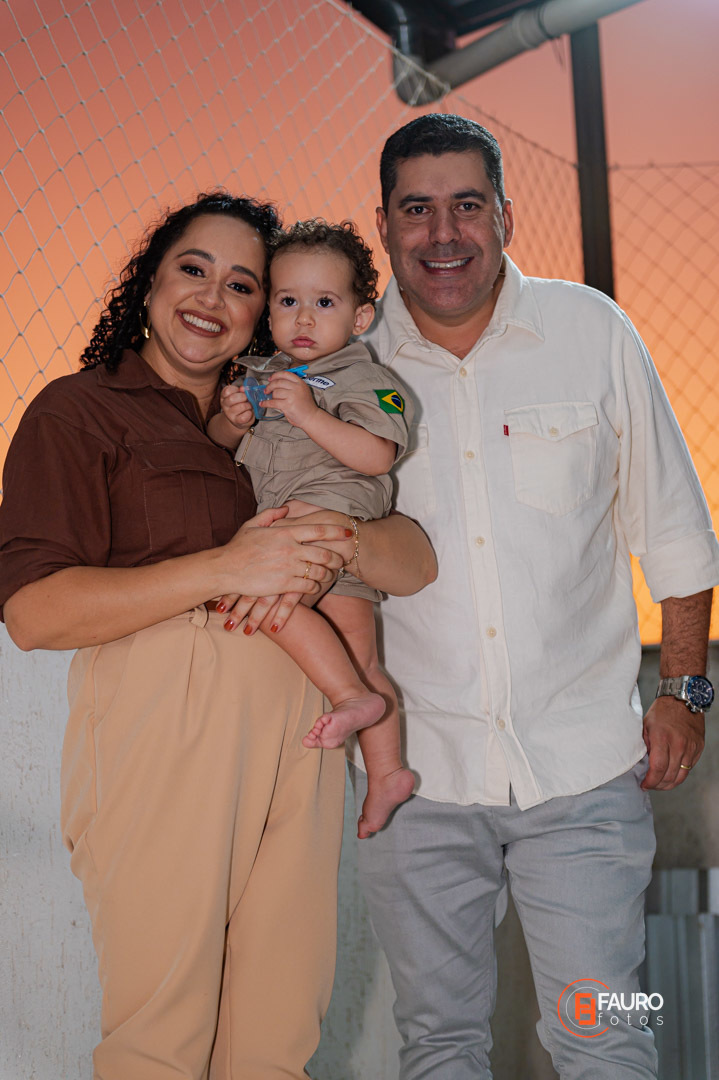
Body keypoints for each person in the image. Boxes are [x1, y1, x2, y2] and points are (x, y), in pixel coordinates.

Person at [0, 191, 437, 1080]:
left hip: (307, 727)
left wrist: (334, 542)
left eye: (242, 284)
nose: (212, 296)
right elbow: (34, 613)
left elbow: (415, 561)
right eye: (193, 269)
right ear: (149, 281)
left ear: (261, 312)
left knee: (277, 1039)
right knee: (162, 1038)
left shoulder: (288, 414)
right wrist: (226, 568)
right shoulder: (80, 410)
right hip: (171, 718)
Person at [349, 113, 719, 1079]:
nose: (443, 234)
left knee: (609, 1024)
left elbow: (674, 527)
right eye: (416, 209)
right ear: (382, 225)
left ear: (505, 216)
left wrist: (684, 691)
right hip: (415, 777)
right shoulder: (347, 367)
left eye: (466, 205)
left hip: (584, 770)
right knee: (437, 1044)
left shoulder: (590, 331)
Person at [208, 219, 416, 837]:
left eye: (324, 303)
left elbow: (377, 456)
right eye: (287, 301)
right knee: (360, 656)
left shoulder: (364, 379)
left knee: (258, 603)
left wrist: (307, 414)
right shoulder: (259, 375)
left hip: (324, 522)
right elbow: (220, 445)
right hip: (293, 529)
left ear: (360, 316)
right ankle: (388, 772)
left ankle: (351, 701)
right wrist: (231, 419)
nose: (303, 318)